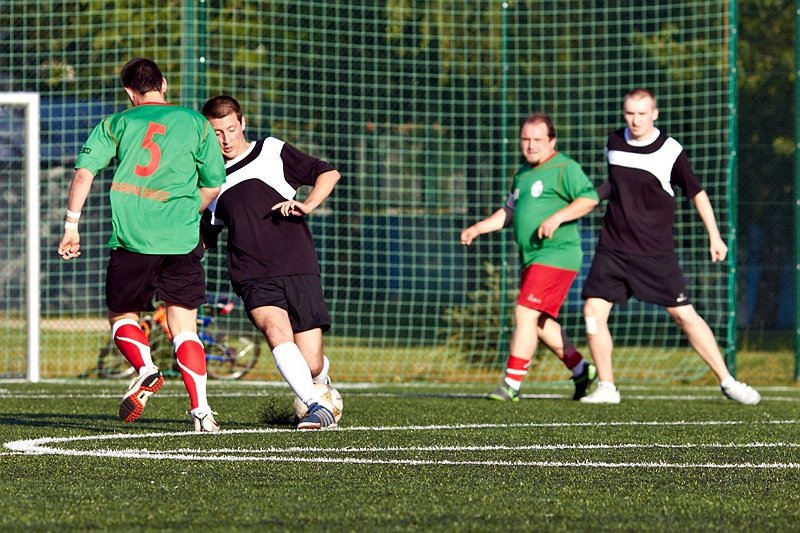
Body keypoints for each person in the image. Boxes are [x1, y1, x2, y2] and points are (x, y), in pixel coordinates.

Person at [57, 58, 227, 431]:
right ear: (163, 84)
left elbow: (84, 174)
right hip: (182, 240)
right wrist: (186, 213)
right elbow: (213, 184)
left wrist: (72, 227)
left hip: (132, 239)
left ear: (128, 92)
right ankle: (201, 413)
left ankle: (146, 367)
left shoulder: (115, 123)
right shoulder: (197, 123)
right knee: (185, 327)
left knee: (122, 315)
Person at [580, 88, 761, 405]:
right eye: (629, 113)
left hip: (654, 252)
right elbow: (614, 185)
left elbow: (697, 192)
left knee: (683, 315)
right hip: (613, 248)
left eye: (642, 113)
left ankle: (728, 381)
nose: (635, 120)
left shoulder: (670, 150)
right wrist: (582, 204)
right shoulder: (614, 142)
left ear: (655, 114)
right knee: (593, 312)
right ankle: (607, 387)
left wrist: (714, 235)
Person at [200, 95, 341, 430]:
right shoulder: (208, 178)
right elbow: (203, 237)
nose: (226, 139)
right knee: (276, 331)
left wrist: (308, 204)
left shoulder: (271, 151)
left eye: (231, 129)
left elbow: (328, 173)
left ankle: (320, 381)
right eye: (217, 133)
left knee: (310, 363)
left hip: (297, 264)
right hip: (251, 273)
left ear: (243, 123)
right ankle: (317, 407)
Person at [460, 112, 599, 402]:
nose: (531, 145)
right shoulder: (523, 174)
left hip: (557, 254)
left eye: (538, 139)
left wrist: (557, 218)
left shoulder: (565, 168)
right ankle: (581, 369)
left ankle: (511, 384)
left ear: (552, 141)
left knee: (524, 312)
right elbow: (510, 211)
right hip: (532, 257)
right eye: (525, 139)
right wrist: (478, 228)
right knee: (538, 322)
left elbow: (589, 198)